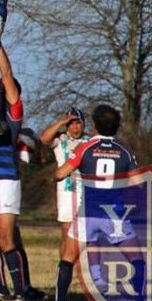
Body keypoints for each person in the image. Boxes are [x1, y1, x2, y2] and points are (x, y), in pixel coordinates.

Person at [50, 104, 141, 301]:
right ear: (117, 126)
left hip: (87, 214)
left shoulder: (85, 148)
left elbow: (59, 174)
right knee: (137, 260)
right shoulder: (125, 150)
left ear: (95, 125)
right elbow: (138, 183)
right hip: (115, 215)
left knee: (67, 259)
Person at [0, 45, 43, 301]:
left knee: (6, 237)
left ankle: (21, 291)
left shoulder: (12, 113)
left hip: (5, 179)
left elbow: (5, 75)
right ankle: (1, 289)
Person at [40, 107, 90, 265]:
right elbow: (44, 139)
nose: (76, 127)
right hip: (67, 191)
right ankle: (64, 266)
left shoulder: (90, 141)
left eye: (79, 123)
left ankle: (83, 265)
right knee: (67, 230)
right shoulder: (60, 139)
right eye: (73, 123)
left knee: (86, 231)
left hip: (87, 190)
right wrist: (61, 122)